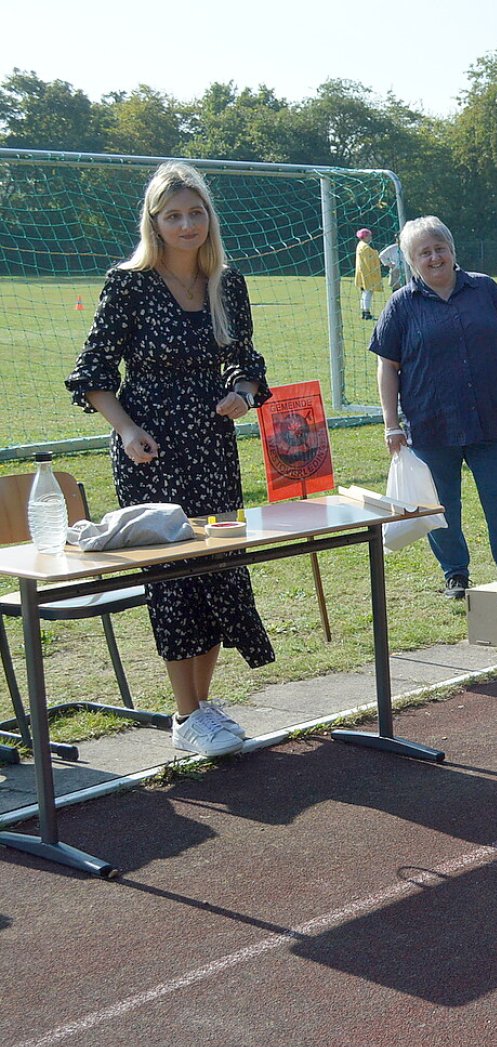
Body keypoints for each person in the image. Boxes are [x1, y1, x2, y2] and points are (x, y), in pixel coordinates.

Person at [66, 160, 274, 759]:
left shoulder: (226, 283)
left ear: (209, 217)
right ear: (154, 222)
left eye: (196, 213)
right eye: (173, 215)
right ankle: (185, 712)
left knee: (219, 568)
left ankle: (200, 710)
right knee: (172, 579)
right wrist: (127, 431)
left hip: (212, 446)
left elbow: (246, 360)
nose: (187, 224)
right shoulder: (128, 283)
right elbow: (95, 374)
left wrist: (243, 391)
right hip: (151, 451)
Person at [371, 215, 497, 600]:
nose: (434, 257)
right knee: (439, 508)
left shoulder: (485, 289)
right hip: (431, 424)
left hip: (494, 419)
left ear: (452, 250)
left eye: (439, 248)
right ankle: (455, 574)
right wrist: (391, 424)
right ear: (411, 261)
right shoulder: (401, 305)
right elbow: (387, 366)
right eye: (423, 252)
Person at [354, 227, 384, 320]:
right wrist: (376, 253)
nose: (371, 238)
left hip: (363, 272)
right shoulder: (365, 247)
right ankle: (366, 312)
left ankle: (364, 311)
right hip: (367, 273)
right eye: (369, 236)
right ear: (365, 236)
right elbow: (369, 260)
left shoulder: (361, 245)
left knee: (365, 292)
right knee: (368, 292)